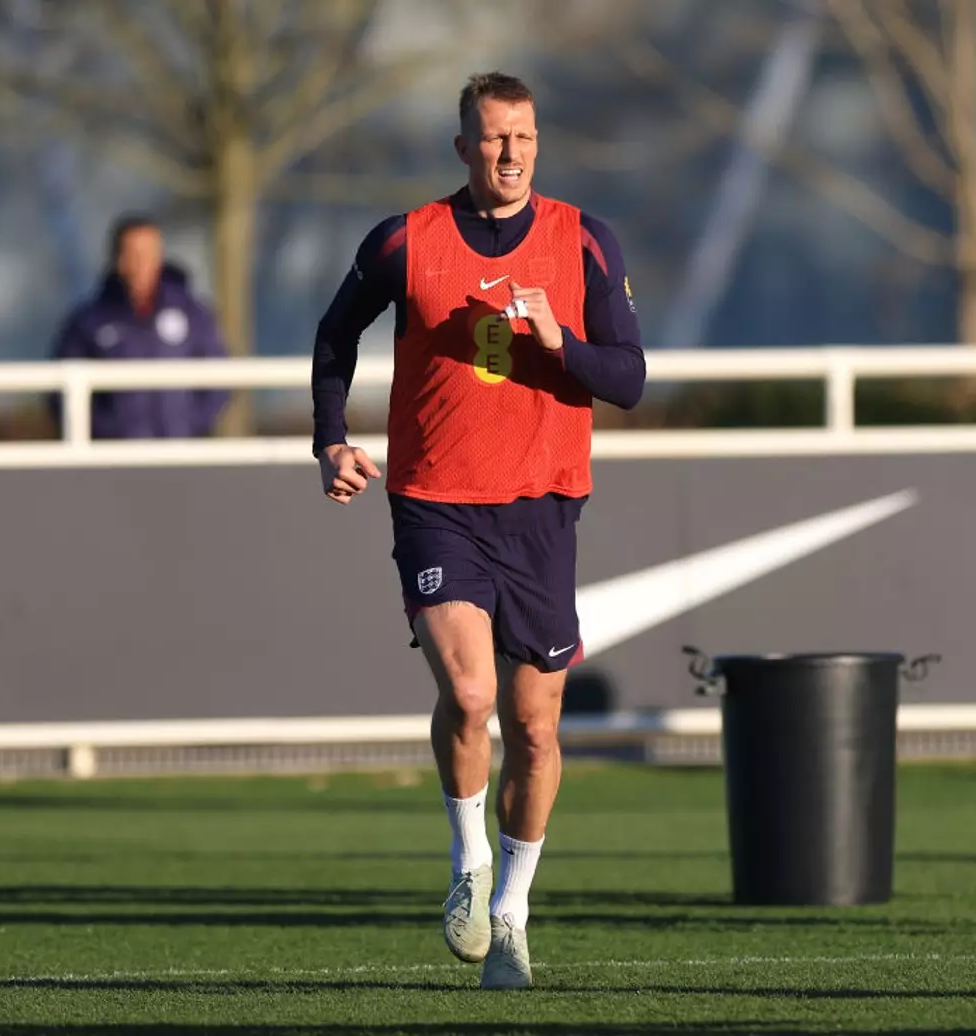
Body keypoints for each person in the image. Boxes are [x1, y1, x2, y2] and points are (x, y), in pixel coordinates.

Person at [309, 72, 644, 988]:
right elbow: (335, 337)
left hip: (542, 504)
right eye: (494, 139)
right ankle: (468, 864)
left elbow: (628, 377)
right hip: (436, 502)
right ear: (463, 147)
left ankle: (513, 912)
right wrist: (329, 439)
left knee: (535, 726)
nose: (510, 155)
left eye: (524, 139)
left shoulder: (583, 241)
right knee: (468, 695)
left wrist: (556, 346)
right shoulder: (405, 241)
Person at [50, 214, 230, 439]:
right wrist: (107, 432)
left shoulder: (193, 314)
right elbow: (62, 391)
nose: (143, 264)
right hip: (117, 457)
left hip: (179, 451)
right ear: (119, 260)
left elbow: (220, 377)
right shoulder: (90, 322)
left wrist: (191, 424)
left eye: (150, 254)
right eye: (135, 255)